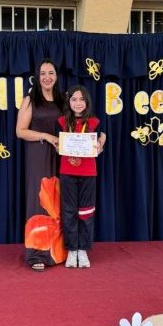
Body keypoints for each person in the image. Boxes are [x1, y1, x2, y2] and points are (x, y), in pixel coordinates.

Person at [16, 59, 65, 271]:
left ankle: (59, 252)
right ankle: (36, 254)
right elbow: (20, 131)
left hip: (62, 155)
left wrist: (99, 138)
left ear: (56, 76)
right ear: (37, 77)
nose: (47, 77)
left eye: (51, 73)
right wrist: (46, 136)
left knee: (59, 201)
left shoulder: (63, 100)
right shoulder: (30, 100)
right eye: (43, 73)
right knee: (40, 200)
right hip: (38, 154)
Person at [57, 85, 105, 268]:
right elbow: (57, 143)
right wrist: (58, 145)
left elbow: (103, 136)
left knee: (86, 211)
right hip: (67, 172)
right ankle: (72, 250)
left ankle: (83, 250)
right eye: (74, 99)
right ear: (68, 102)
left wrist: (100, 143)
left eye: (82, 99)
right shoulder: (61, 121)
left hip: (88, 173)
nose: (78, 103)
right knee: (69, 211)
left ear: (87, 102)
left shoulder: (95, 121)